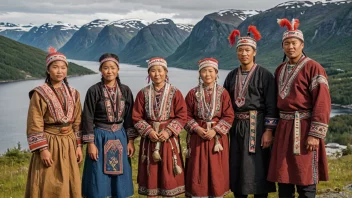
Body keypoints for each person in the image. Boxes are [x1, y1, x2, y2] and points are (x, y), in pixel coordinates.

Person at [267, 18, 331, 198]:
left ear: (302, 44)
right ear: (282, 47)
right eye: (286, 43)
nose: (290, 47)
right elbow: (274, 101)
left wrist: (315, 134)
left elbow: (322, 103)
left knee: (305, 178)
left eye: (294, 43)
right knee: (284, 178)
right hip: (283, 129)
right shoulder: (280, 69)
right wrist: (270, 130)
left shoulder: (314, 68)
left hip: (303, 128)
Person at [223, 26, 278, 198]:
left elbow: (271, 105)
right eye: (240, 50)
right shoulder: (231, 76)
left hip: (258, 126)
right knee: (238, 166)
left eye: (247, 50)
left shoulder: (265, 75)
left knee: (257, 167)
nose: (243, 54)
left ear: (254, 52)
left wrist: (269, 131)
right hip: (236, 127)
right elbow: (225, 104)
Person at [25, 47, 83, 198]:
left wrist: (78, 146)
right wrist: (42, 149)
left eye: (63, 68)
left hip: (69, 143)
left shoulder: (74, 93)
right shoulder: (39, 93)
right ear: (48, 70)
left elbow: (77, 121)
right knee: (48, 182)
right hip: (50, 142)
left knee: (70, 182)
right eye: (55, 67)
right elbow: (35, 122)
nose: (59, 71)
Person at [81, 53, 138, 198]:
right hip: (100, 137)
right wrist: (90, 143)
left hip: (120, 136)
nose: (109, 71)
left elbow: (130, 117)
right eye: (105, 68)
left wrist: (130, 141)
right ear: (101, 70)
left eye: (113, 68)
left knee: (120, 178)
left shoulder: (125, 90)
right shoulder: (94, 91)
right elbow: (87, 117)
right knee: (98, 176)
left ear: (118, 69)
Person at [132, 57, 187, 197]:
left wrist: (168, 132)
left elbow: (182, 116)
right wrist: (149, 131)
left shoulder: (175, 93)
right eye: (153, 71)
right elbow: (136, 116)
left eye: (160, 70)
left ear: (166, 72)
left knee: (168, 177)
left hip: (168, 141)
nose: (157, 74)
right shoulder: (143, 93)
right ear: (149, 73)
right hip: (150, 141)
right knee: (152, 175)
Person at [184, 58, 234, 197]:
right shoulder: (192, 93)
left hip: (217, 139)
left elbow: (229, 116)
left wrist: (215, 130)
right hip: (197, 137)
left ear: (216, 73)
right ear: (199, 74)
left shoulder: (223, 93)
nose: (207, 74)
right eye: (204, 71)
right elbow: (186, 115)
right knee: (197, 169)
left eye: (210, 71)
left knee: (217, 170)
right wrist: (197, 129)